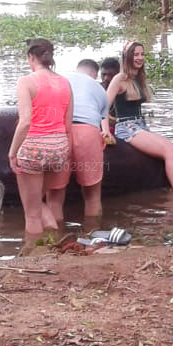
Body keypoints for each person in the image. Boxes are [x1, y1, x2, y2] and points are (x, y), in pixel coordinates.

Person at [104, 41, 173, 190]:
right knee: (170, 152)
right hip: (127, 128)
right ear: (127, 57)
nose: (140, 58)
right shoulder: (120, 78)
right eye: (135, 55)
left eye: (142, 54)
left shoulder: (139, 78)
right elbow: (103, 107)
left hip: (141, 125)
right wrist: (105, 130)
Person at [8, 38, 74, 240]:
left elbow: (26, 121)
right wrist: (66, 153)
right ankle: (55, 243)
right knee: (40, 202)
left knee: (32, 213)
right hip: (59, 148)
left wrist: (12, 153)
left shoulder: (26, 82)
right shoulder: (65, 82)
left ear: (31, 57)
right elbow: (68, 126)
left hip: (34, 148)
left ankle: (35, 257)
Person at [57, 58, 110, 227]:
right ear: (94, 74)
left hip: (61, 133)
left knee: (54, 197)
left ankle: (52, 242)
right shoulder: (99, 89)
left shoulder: (60, 79)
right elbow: (101, 120)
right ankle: (92, 238)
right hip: (88, 133)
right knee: (92, 197)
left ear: (77, 69)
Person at [99, 56, 121, 141]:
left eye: (111, 75)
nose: (106, 78)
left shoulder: (123, 91)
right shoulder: (97, 88)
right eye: (103, 74)